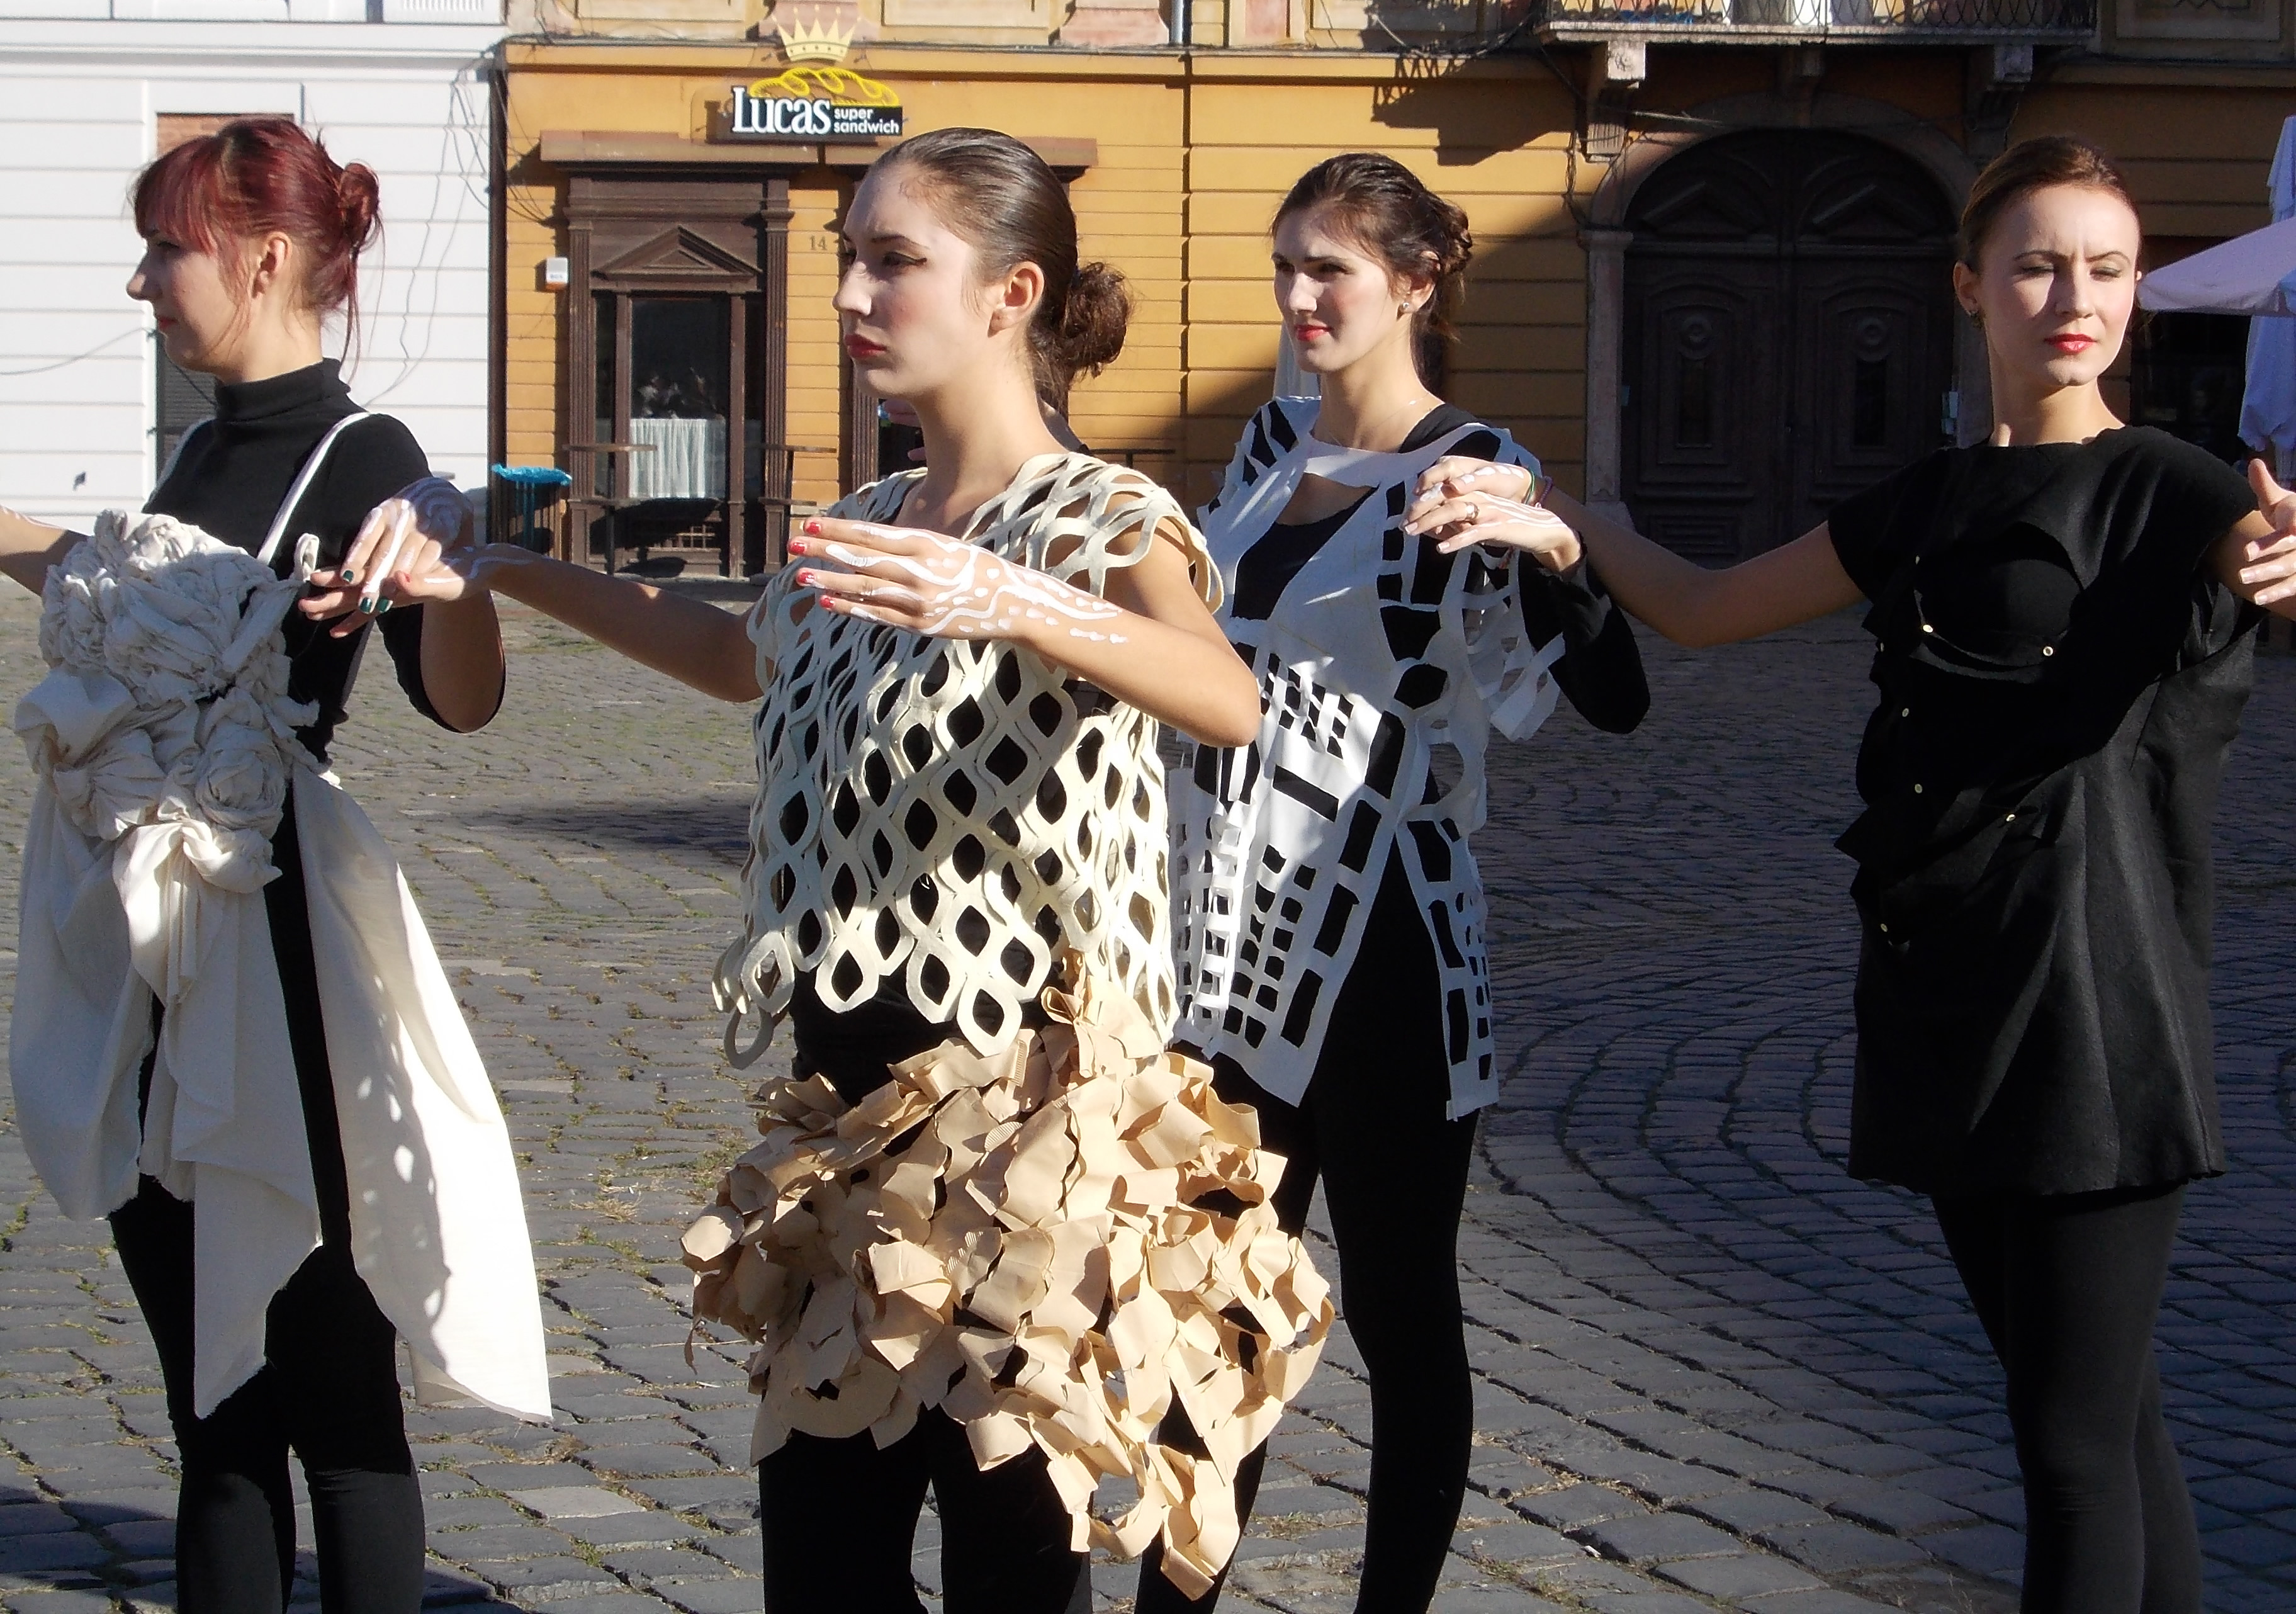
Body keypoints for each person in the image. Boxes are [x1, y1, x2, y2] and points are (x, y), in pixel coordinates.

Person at [369, 127, 1332, 1614]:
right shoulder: (871, 527)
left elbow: (1223, 694)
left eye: (896, 261)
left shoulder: (1105, 518)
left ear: (1012, 294)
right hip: (847, 1143)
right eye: (849, 261)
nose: (855, 296)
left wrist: (1015, 598)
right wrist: (506, 573)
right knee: (821, 1566)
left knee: (1016, 1572)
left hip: (1032, 1144)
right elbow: (741, 651)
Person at [1415, 135, 2296, 1614]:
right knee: (2107, 1420)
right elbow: (1705, 607)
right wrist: (1564, 530)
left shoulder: (2178, 488)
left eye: (2106, 268)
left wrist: (2282, 558)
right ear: (1969, 285)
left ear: (2137, 293)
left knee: (2068, 1448)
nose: (2071, 297)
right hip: (1944, 976)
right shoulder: (1931, 496)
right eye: (2034, 264)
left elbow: (2263, 555)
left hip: (2096, 993)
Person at [0, 117, 550, 1614]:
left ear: (260, 256)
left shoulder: (364, 456)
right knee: (209, 1399)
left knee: (330, 1387)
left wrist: (456, 572)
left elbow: (461, 698)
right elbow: (127, 592)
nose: (138, 283)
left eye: (162, 248)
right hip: (148, 940)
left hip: (273, 951)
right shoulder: (196, 444)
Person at [1151, 152, 1649, 1614]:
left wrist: (1554, 545)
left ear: (1417, 284)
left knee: (1399, 1311)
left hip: (1389, 954)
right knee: (1215, 1314)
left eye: (1334, 271)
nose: (1301, 296)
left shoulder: (1474, 465)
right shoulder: (1264, 447)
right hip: (1226, 953)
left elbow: (1610, 697)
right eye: (1288, 264)